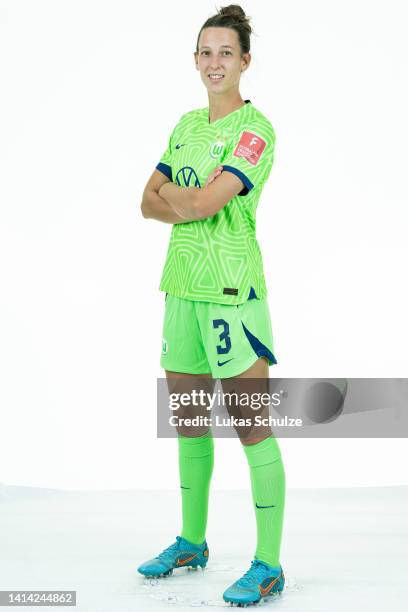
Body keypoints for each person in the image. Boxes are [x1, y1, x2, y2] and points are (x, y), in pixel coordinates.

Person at [137, 4, 286, 606]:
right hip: (181, 287)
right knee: (190, 422)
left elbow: (195, 205)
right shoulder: (186, 126)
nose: (214, 62)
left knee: (252, 427)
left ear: (245, 61)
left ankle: (269, 564)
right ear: (195, 60)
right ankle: (192, 542)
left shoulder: (256, 131)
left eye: (226, 52)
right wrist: (182, 196)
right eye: (206, 52)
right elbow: (144, 203)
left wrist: (177, 196)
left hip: (232, 292)